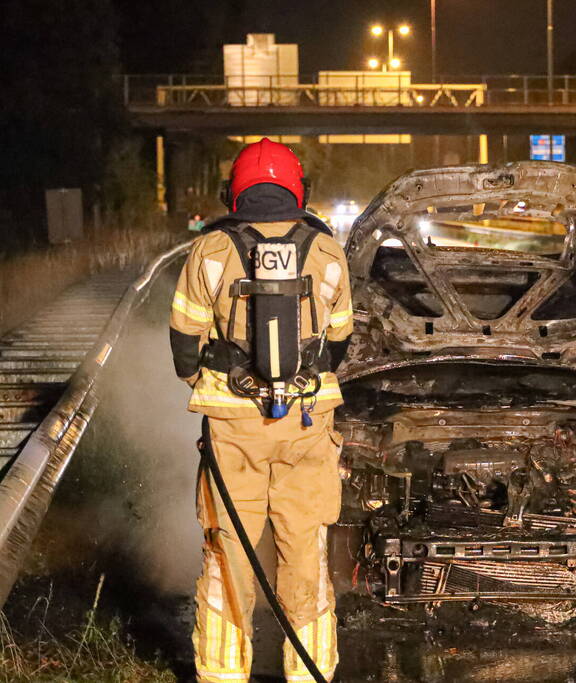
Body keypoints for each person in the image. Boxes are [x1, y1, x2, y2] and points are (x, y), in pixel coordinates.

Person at [169, 138, 352, 682]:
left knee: (230, 556)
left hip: (233, 429)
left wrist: (205, 381)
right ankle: (308, 672)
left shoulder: (210, 249)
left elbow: (184, 340)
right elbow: (339, 342)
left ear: (234, 191)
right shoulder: (326, 249)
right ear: (300, 189)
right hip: (306, 428)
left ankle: (225, 675)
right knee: (306, 557)